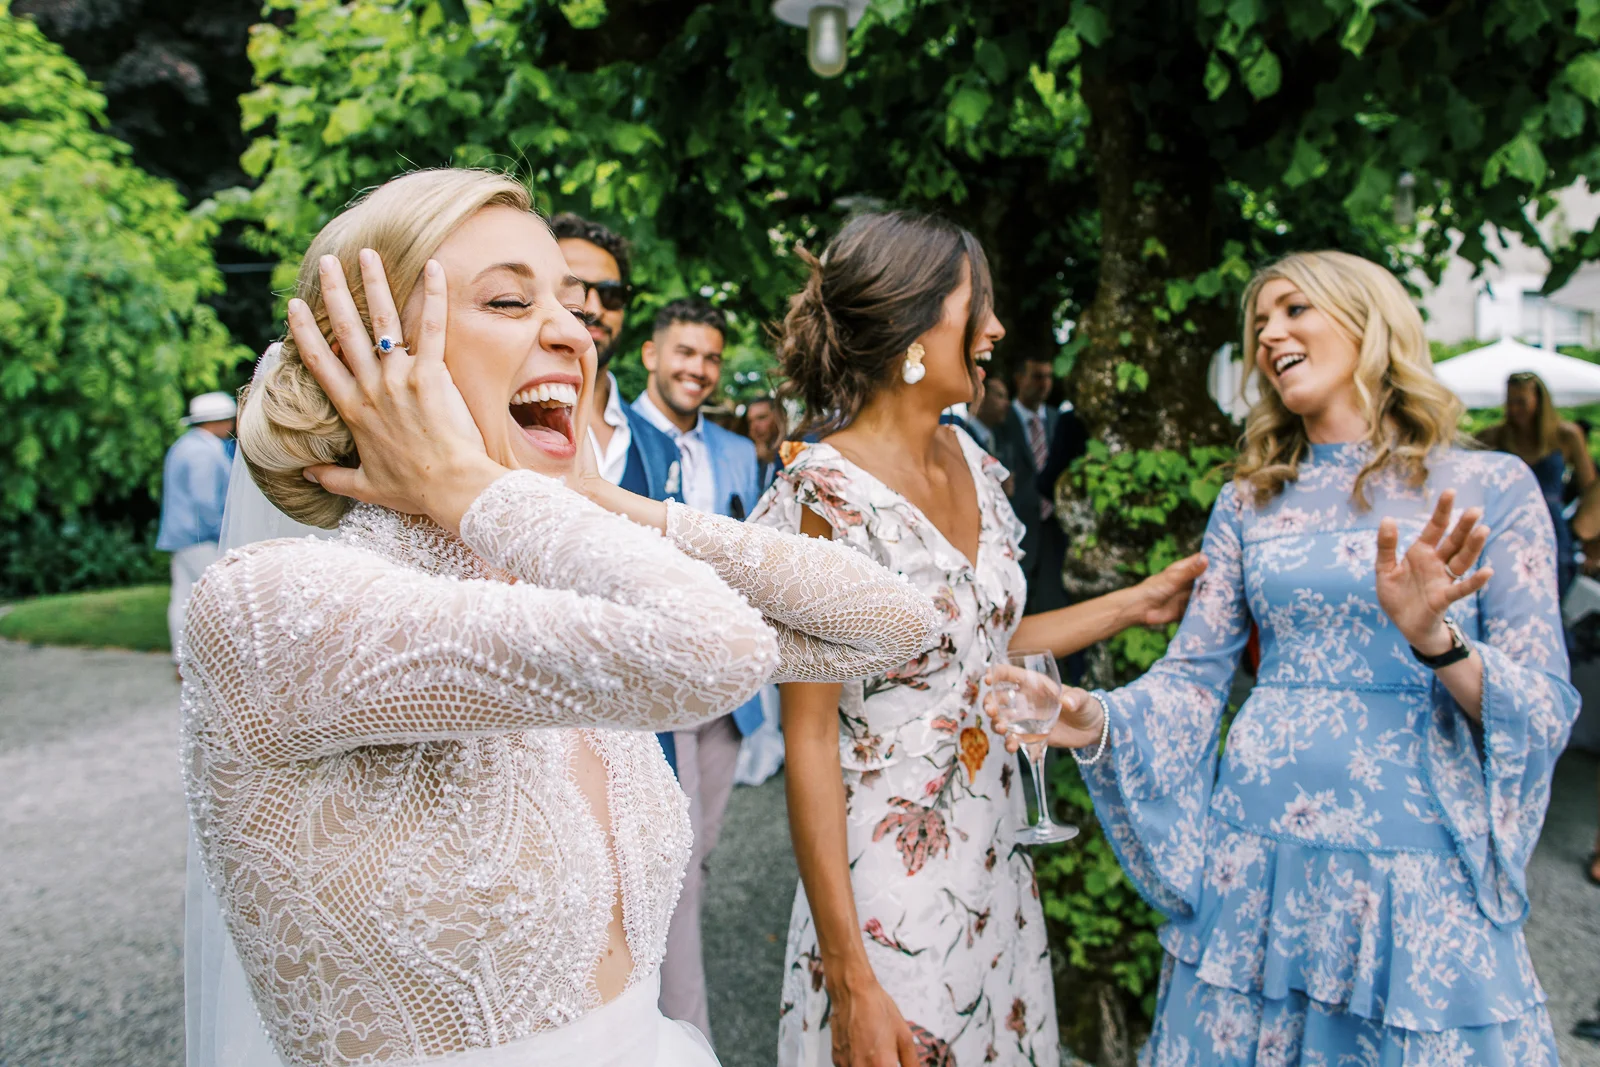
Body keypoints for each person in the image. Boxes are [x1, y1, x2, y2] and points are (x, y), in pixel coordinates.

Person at [178, 168, 939, 1067]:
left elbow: (894, 620)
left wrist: (598, 499)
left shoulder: (549, 581)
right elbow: (717, 647)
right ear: (374, 360)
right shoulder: (269, 608)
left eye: (576, 307)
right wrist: (481, 488)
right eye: (508, 300)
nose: (574, 334)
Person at [988, 250, 1578, 1066]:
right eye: (1260, 322)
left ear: (1369, 324)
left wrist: (1434, 640)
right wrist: (1095, 714)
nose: (1270, 333)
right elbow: (1194, 678)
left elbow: (1544, 707)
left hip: (1413, 868)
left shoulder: (1492, 486)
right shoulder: (1247, 498)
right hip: (1255, 856)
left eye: (1294, 309)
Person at [753, 209, 1207, 1067]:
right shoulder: (823, 499)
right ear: (915, 325)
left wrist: (1137, 602)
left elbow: (983, 644)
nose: (996, 327)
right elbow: (806, 735)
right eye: (979, 304)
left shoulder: (976, 463)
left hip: (997, 855)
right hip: (890, 885)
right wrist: (851, 972)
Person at [632, 296, 766, 1040]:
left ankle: (654, 1005)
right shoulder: (616, 434)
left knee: (698, 857)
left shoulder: (737, 449)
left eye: (711, 357)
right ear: (652, 355)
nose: (700, 370)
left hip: (722, 695)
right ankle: (681, 1035)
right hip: (649, 686)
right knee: (668, 867)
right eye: (686, 353)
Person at [548, 213, 685, 505]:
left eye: (611, 295)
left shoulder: (663, 448)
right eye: (576, 290)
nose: (594, 308)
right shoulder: (506, 422)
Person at [1478, 370, 1596, 599]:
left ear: (1539, 402)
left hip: (1552, 525)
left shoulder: (1566, 435)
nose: (1513, 409)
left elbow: (1590, 489)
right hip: (1507, 524)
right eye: (1510, 402)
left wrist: (1587, 537)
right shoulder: (1495, 437)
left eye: (1521, 402)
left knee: (1555, 595)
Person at [156, 391, 236, 664]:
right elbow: (205, 501)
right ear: (217, 421)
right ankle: (220, 660)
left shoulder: (183, 446)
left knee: (183, 596)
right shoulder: (203, 451)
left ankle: (182, 659)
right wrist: (221, 533)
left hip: (180, 535)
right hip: (200, 537)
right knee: (222, 596)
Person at [996, 357, 1069, 612]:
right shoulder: (1000, 419)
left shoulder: (1058, 419)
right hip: (1017, 526)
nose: (1044, 384)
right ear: (1020, 379)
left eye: (1049, 377)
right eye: (1037, 376)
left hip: (1055, 526)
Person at [743, 396, 787, 491]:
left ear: (780, 418)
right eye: (750, 421)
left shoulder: (796, 455)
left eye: (761, 418)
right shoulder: (753, 460)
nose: (754, 426)